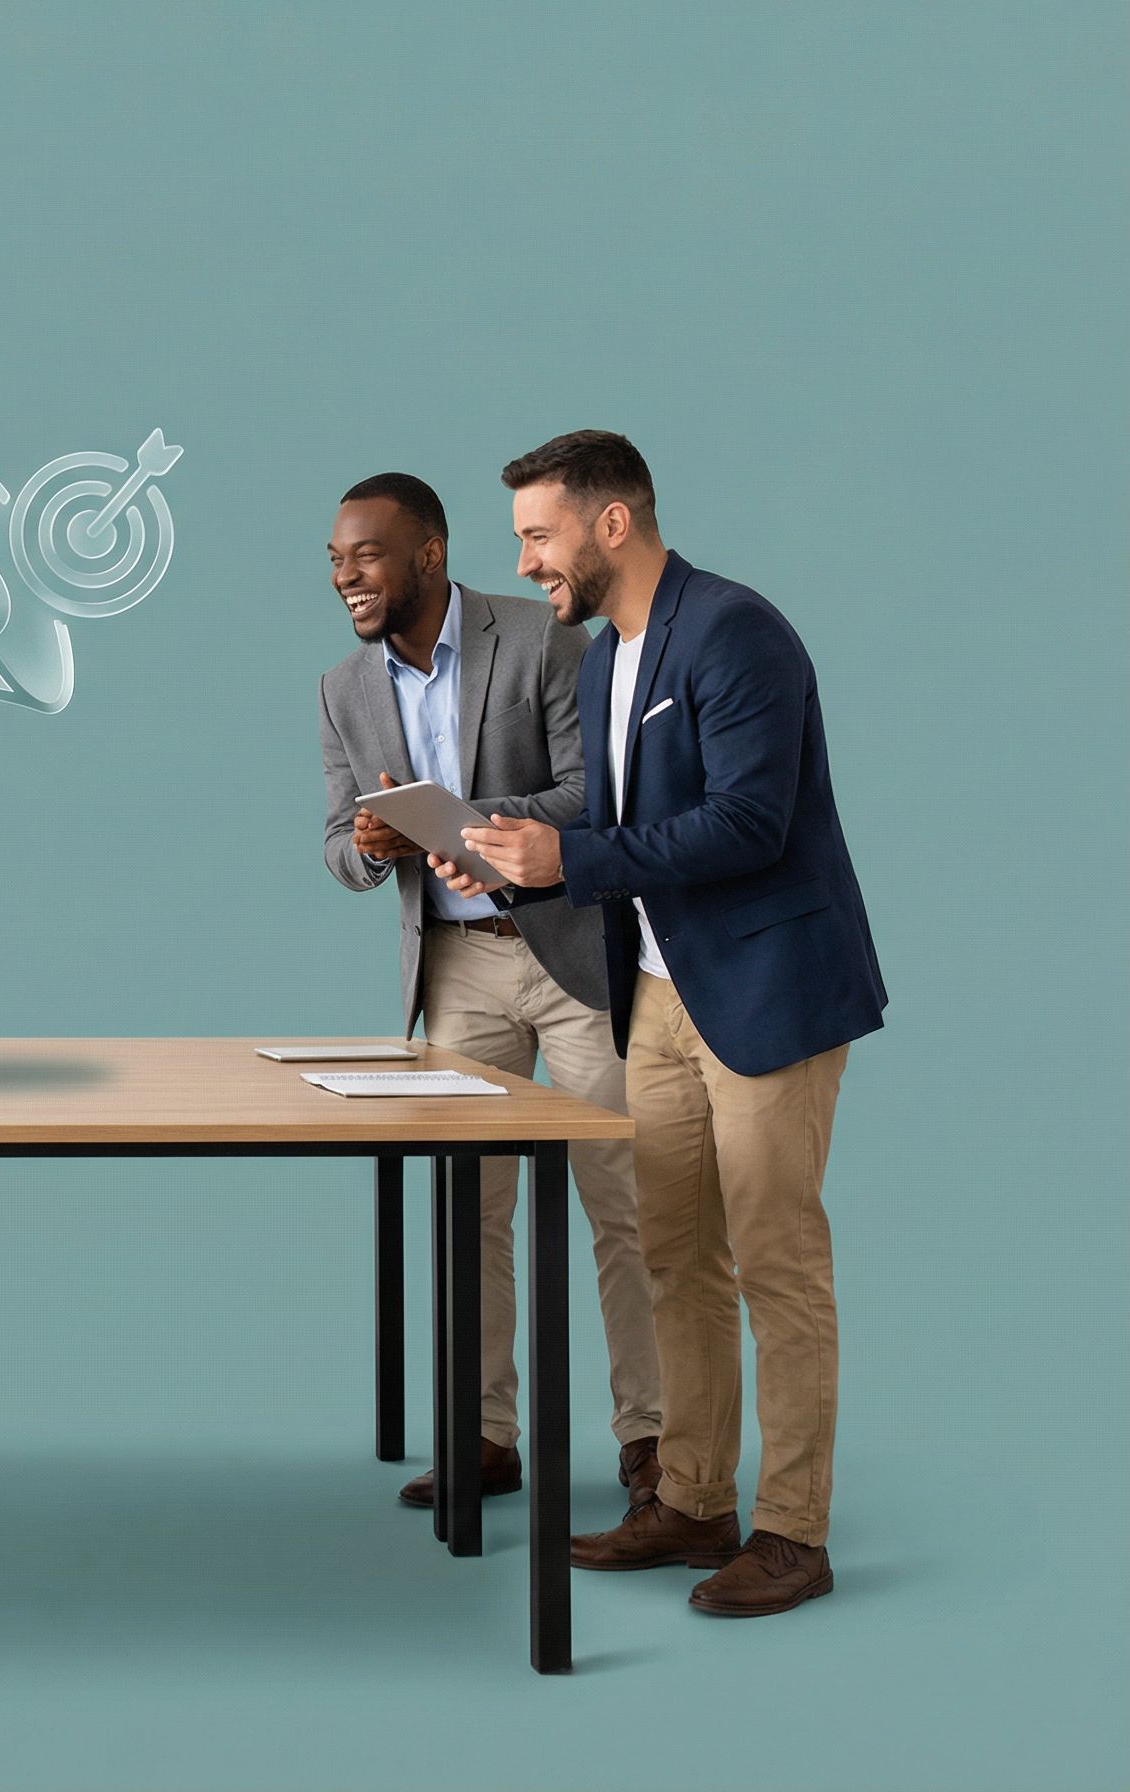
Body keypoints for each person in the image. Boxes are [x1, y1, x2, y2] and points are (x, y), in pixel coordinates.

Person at [433, 431, 884, 1617]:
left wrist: (569, 856)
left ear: (612, 523)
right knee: (677, 1253)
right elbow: (614, 837)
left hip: (766, 991)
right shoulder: (597, 660)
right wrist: (514, 872)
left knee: (777, 1259)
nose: (527, 560)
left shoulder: (738, 632)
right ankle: (693, 1500)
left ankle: (795, 1531)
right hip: (658, 996)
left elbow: (750, 822)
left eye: (540, 533)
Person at [319, 472, 663, 1513]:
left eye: (366, 555)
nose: (347, 577)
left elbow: (589, 792)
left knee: (625, 1202)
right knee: (473, 1209)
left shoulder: (540, 635)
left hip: (573, 953)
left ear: (428, 553)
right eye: (336, 562)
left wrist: (454, 820)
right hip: (457, 971)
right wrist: (377, 846)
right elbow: (336, 844)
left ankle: (654, 1443)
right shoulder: (344, 689)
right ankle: (485, 1434)